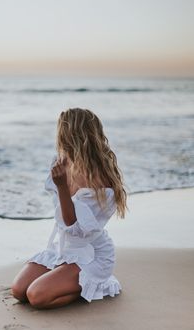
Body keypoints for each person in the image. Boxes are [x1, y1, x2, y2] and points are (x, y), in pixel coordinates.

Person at [11, 108, 127, 309]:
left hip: (91, 254)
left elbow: (75, 227)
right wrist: (61, 185)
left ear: (69, 134)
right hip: (63, 248)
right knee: (19, 291)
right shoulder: (62, 163)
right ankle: (62, 280)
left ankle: (94, 286)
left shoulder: (101, 178)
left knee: (37, 296)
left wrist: (63, 187)